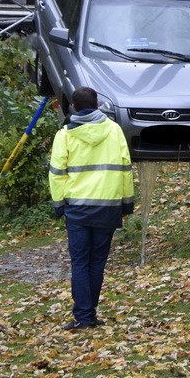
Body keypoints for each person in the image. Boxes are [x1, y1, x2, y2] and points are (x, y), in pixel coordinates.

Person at [48, 86, 134, 331]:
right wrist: (127, 203)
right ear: (97, 104)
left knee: (80, 263)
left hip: (77, 209)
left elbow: (56, 173)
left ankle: (83, 316)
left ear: (73, 107)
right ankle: (90, 314)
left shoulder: (65, 134)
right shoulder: (114, 130)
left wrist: (58, 205)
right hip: (107, 207)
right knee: (97, 263)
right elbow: (125, 168)